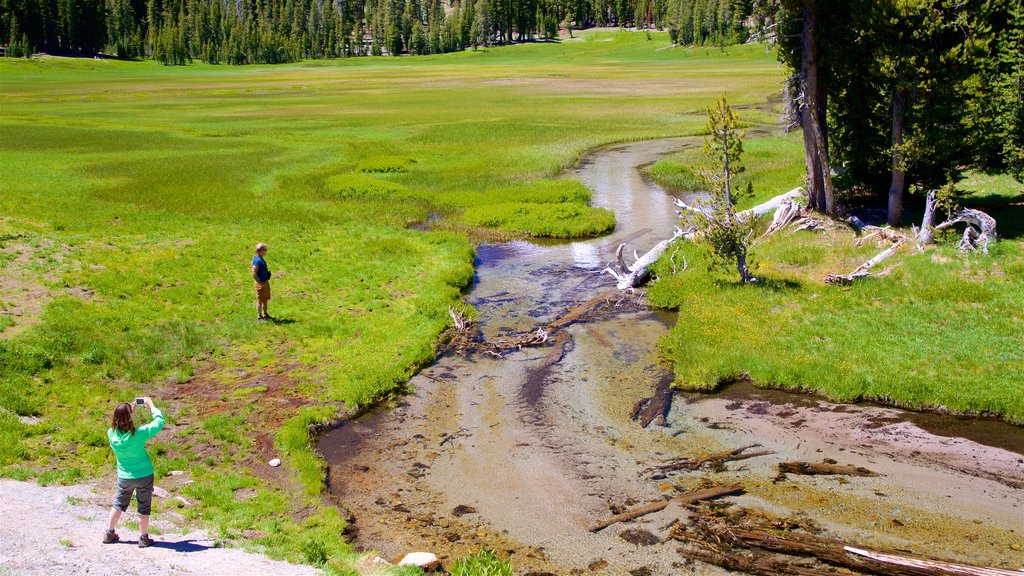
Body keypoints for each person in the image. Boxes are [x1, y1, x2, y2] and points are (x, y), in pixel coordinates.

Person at [104, 397, 165, 548]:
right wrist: (151, 405)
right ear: (130, 417)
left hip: (124, 476)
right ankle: (143, 538)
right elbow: (159, 422)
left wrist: (128, 410)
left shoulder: (111, 434)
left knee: (119, 503)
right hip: (144, 474)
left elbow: (119, 426)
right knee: (143, 505)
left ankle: (109, 533)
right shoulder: (139, 434)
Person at [252, 243, 272, 321]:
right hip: (261, 283)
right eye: (265, 250)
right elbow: (254, 272)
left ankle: (265, 314)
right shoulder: (257, 260)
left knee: (265, 299)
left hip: (265, 282)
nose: (266, 251)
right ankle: (260, 316)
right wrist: (259, 282)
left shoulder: (260, 258)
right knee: (260, 301)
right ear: (260, 251)